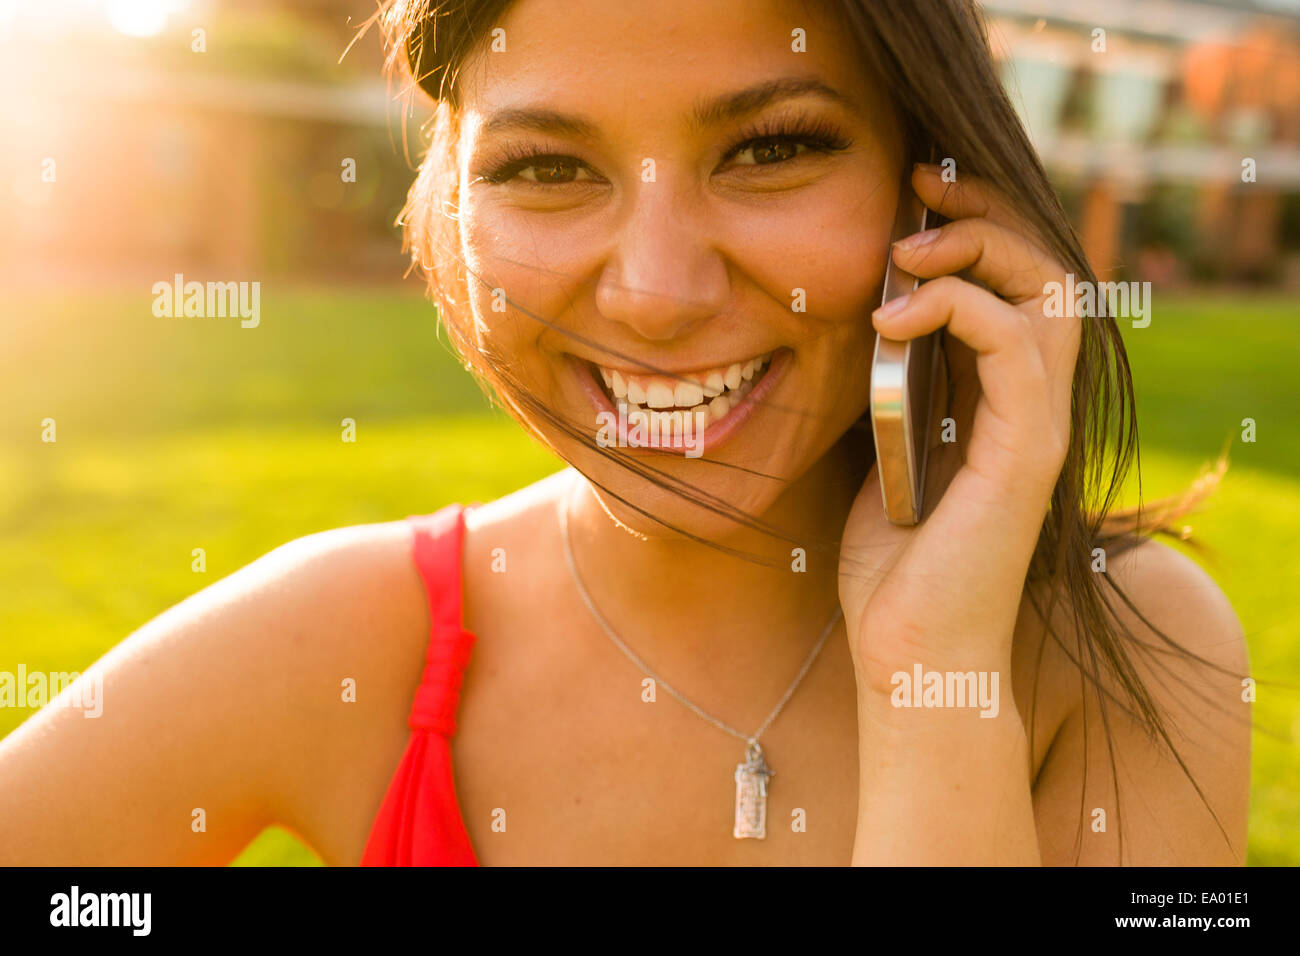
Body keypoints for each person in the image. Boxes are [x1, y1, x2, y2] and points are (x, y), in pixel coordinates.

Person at [0, 0, 1249, 866]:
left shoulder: (1130, 654)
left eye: (770, 149)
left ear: (936, 185)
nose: (655, 290)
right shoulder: (343, 639)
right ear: (449, 208)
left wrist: (934, 670)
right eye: (546, 168)